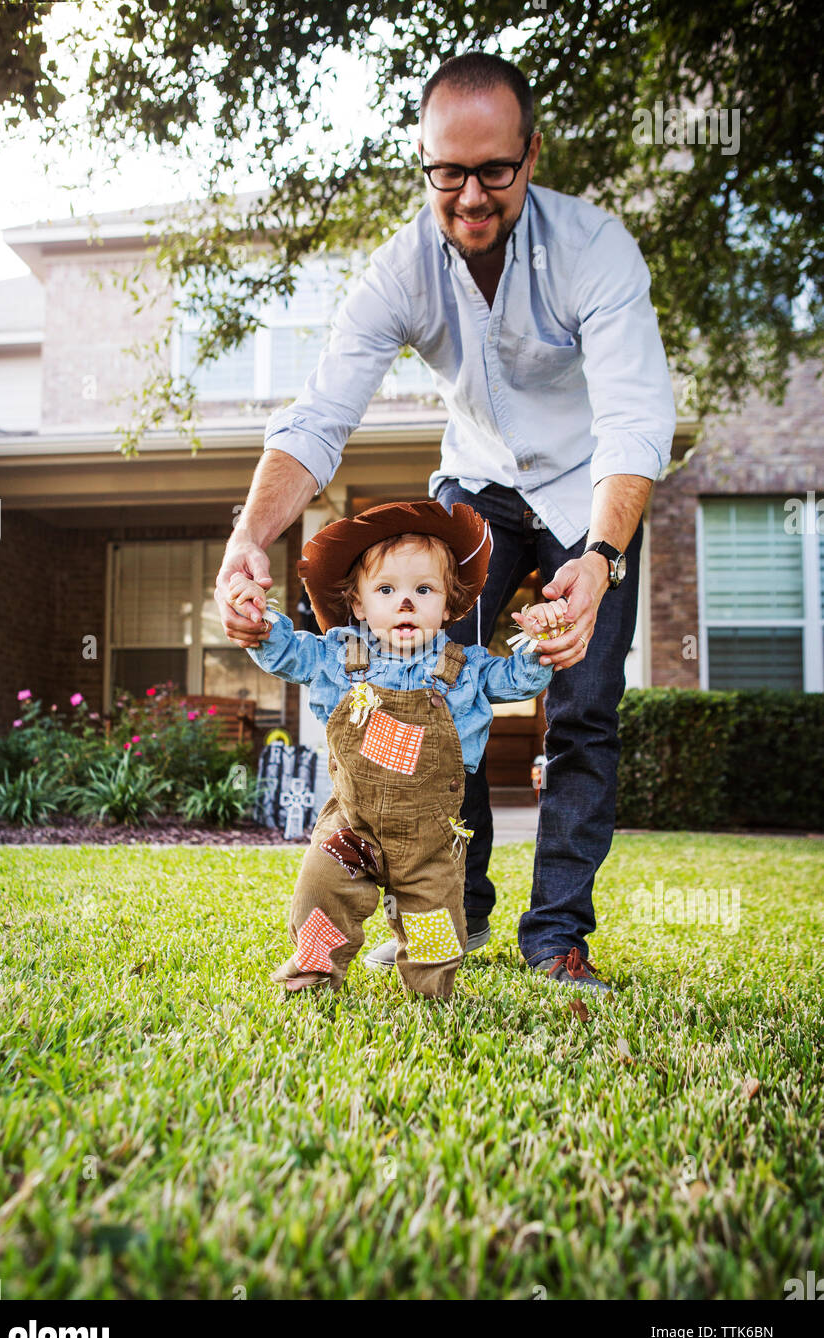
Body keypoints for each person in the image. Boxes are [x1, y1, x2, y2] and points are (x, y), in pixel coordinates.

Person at [215, 51, 676, 995]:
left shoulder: (596, 250)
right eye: (447, 172)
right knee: (427, 689)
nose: (470, 195)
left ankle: (557, 938)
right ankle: (446, 912)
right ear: (424, 161)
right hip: (477, 489)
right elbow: (320, 417)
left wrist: (598, 560)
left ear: (531, 155)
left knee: (583, 710)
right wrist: (247, 539)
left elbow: (635, 418)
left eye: (494, 171)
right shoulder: (400, 270)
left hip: (589, 498)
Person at [229, 499, 563, 999]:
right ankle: (312, 976)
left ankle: (430, 995)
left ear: (448, 605)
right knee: (319, 897)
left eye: (423, 590)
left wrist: (539, 643)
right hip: (352, 826)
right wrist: (257, 619)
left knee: (435, 928)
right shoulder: (338, 658)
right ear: (360, 605)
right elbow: (288, 652)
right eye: (387, 590)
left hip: (430, 840)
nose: (405, 602)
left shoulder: (465, 668)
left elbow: (517, 680)